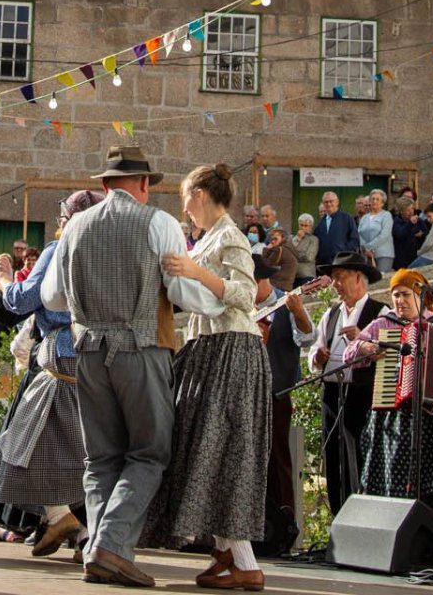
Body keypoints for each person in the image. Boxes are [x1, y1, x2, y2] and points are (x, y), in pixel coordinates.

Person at [39, 146, 226, 589]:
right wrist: (221, 298)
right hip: (141, 349)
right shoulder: (158, 223)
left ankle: (102, 554)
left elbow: (51, 299)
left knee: (100, 458)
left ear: (105, 185)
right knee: (149, 452)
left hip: (87, 352)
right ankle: (110, 544)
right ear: (144, 184)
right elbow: (181, 291)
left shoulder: (75, 228)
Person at [142, 164, 272, 591]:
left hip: (231, 349)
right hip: (209, 348)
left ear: (200, 193)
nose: (184, 207)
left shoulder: (230, 235)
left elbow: (245, 294)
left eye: (185, 197)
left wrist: (195, 271)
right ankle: (229, 553)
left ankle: (244, 562)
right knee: (206, 448)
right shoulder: (209, 238)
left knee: (220, 447)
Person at [0, 188, 102, 560]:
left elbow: (23, 300)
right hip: (99, 357)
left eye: (63, 218)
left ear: (69, 220)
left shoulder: (58, 250)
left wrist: (4, 281)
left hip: (60, 359)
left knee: (21, 444)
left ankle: (63, 519)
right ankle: (84, 537)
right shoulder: (108, 252)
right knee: (81, 450)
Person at [346, 268, 433, 538]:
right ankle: (392, 534)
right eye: (394, 295)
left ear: (421, 296)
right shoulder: (383, 325)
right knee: (393, 477)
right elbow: (349, 352)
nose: (399, 301)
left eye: (405, 294)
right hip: (394, 418)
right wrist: (366, 348)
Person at [308, 250, 382, 516]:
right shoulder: (331, 314)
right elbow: (315, 348)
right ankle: (339, 520)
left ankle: (364, 520)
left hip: (363, 393)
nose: (336, 284)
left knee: (363, 457)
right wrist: (318, 356)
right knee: (335, 458)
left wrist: (362, 339)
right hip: (332, 393)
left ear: (359, 277)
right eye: (334, 278)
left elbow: (388, 352)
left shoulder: (379, 311)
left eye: (340, 277)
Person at [258, 260, 317, 559]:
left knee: (279, 458)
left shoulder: (284, 303)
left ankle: (285, 527)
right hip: (248, 393)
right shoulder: (243, 304)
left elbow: (308, 338)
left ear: (263, 281)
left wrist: (299, 311)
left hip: (278, 391)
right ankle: (258, 527)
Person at [354, 192, 394, 274]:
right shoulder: (365, 217)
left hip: (383, 254)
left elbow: (385, 235)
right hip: (367, 255)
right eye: (373, 199)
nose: (374, 201)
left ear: (382, 203)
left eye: (377, 199)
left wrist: (369, 247)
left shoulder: (386, 215)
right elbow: (359, 233)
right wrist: (365, 248)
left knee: (381, 279)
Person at [312, 191, 354, 265]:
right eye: (326, 202)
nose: (328, 204)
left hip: (341, 261)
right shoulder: (321, 222)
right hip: (324, 263)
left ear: (337, 202)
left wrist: (343, 252)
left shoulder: (346, 218)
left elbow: (354, 239)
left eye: (331, 201)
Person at [391, 196, 429, 270]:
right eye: (408, 210)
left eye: (412, 208)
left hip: (415, 256)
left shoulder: (418, 220)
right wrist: (410, 223)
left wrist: (422, 234)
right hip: (401, 259)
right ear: (401, 211)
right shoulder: (396, 222)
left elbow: (426, 232)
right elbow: (400, 234)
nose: (411, 212)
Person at [260, 224, 297, 292]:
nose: (273, 242)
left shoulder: (279, 250)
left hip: (278, 286)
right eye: (271, 239)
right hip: (286, 286)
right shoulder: (289, 248)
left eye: (275, 239)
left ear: (283, 238)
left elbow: (265, 265)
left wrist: (266, 250)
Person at [291, 215, 318, 280]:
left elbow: (308, 257)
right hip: (292, 275)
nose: (303, 228)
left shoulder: (313, 239)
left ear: (310, 227)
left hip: (306, 275)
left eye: (306, 226)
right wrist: (298, 238)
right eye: (301, 225)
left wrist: (293, 254)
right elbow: (287, 253)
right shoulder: (292, 238)